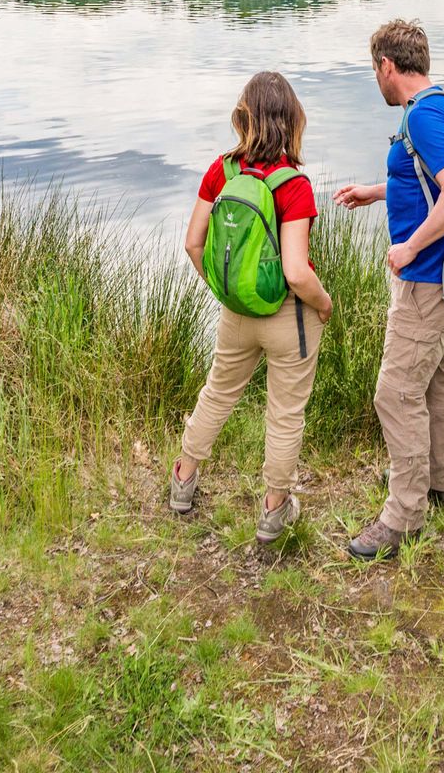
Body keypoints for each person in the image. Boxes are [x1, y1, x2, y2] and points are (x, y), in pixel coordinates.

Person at [332, 19, 444, 561]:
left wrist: (410, 247)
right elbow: (432, 178)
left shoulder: (425, 115)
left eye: (375, 69)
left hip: (431, 275)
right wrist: (378, 191)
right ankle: (439, 484)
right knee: (437, 377)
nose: (376, 78)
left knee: (394, 392)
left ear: (387, 67)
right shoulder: (439, 104)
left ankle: (404, 516)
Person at [173, 71, 335, 543]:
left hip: (236, 314)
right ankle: (273, 509)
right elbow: (297, 272)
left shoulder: (221, 171)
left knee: (218, 392)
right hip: (288, 318)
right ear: (291, 121)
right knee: (284, 413)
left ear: (243, 117)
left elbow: (193, 245)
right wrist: (323, 305)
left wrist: (225, 292)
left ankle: (183, 479)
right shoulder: (293, 185)